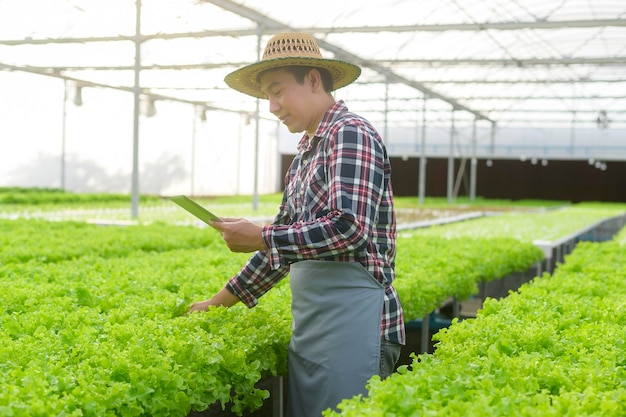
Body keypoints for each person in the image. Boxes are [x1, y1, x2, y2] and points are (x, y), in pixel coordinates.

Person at [188, 32, 405, 417]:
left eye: (277, 91)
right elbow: (280, 251)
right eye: (267, 97)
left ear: (313, 80)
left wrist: (261, 235)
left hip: (355, 328)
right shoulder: (306, 153)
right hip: (314, 331)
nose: (272, 106)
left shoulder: (349, 134)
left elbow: (348, 229)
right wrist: (215, 305)